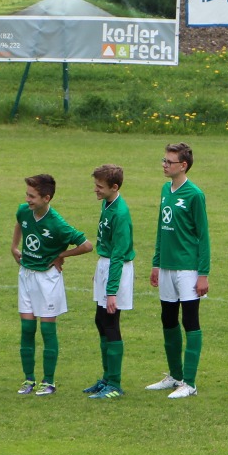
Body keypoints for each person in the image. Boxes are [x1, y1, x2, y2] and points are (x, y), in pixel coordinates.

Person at [11, 174, 92, 396]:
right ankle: (28, 380)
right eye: (27, 194)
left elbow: (87, 245)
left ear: (47, 198)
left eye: (32, 196)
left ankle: (49, 381)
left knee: (47, 330)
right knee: (27, 328)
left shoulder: (57, 223)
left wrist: (61, 255)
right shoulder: (24, 211)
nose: (27, 200)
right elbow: (19, 222)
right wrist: (14, 246)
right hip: (26, 274)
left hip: (47, 279)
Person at [146, 142, 211, 399]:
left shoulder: (195, 194)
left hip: (187, 268)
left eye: (168, 162)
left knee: (190, 320)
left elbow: (203, 236)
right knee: (168, 319)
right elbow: (162, 228)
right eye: (163, 160)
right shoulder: (165, 189)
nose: (164, 165)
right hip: (167, 268)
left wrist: (203, 273)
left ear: (182, 166)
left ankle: (190, 383)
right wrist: (156, 262)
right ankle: (175, 376)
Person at [84, 164, 134, 399]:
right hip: (106, 265)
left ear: (114, 187)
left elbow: (119, 254)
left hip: (117, 269)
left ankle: (115, 383)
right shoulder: (107, 203)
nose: (95, 189)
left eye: (99, 186)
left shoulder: (120, 213)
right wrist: (100, 271)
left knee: (111, 323)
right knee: (100, 320)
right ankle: (106, 378)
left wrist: (111, 290)